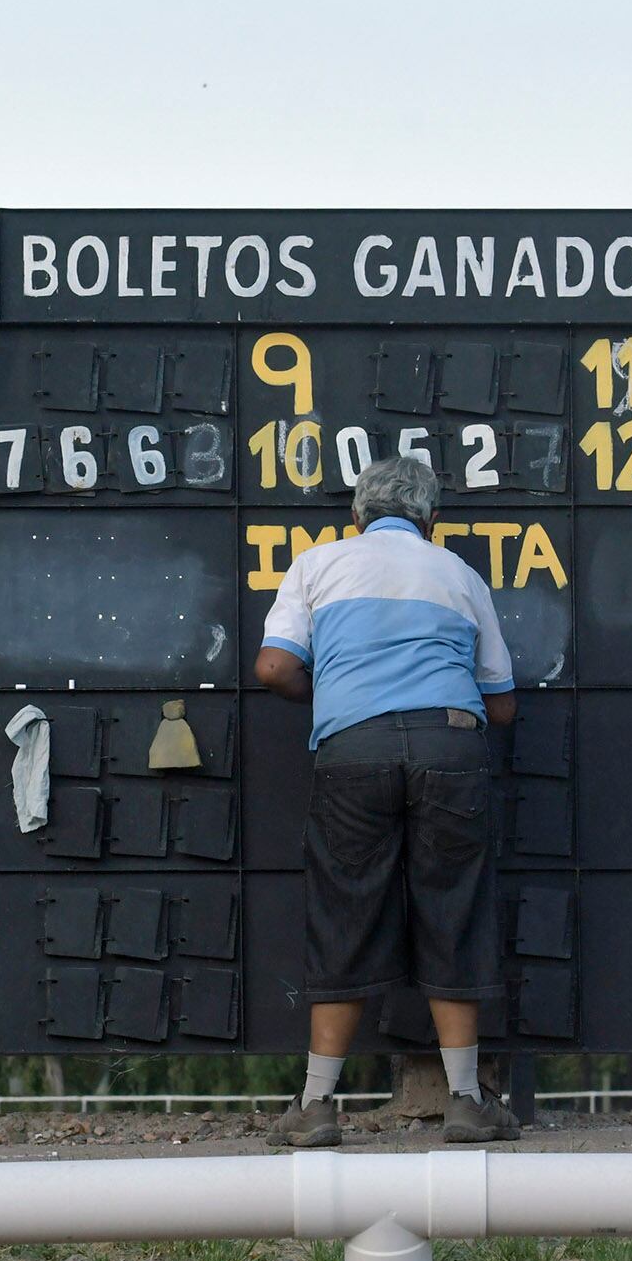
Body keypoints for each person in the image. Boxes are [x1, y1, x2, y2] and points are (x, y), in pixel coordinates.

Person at [253, 456, 520, 1146]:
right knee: (452, 911)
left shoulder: (317, 565)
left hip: (353, 749)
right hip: (450, 747)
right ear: (431, 520)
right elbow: (503, 704)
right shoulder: (459, 574)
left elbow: (274, 666)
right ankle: (465, 1101)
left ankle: (315, 1108)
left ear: (355, 517)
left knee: (343, 913)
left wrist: (339, 695)